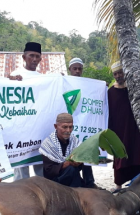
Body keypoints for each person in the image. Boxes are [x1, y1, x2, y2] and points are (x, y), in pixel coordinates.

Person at [107, 61, 140, 193]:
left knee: (137, 154)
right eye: (115, 73)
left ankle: (137, 183)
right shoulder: (110, 92)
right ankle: (118, 185)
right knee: (119, 156)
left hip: (135, 128)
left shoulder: (134, 89)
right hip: (119, 129)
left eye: (120, 72)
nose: (118, 75)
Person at [9, 42, 44, 181]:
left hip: (37, 128)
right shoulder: (15, 75)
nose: (34, 59)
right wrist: (9, 81)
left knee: (40, 165)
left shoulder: (43, 78)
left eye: (37, 56)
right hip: (20, 129)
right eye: (31, 56)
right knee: (21, 167)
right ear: (24, 57)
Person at [39, 113, 96, 187]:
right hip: (56, 180)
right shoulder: (48, 144)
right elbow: (49, 171)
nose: (68, 130)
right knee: (70, 169)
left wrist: (79, 161)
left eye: (70, 127)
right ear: (56, 126)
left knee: (85, 155)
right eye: (65, 127)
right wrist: (66, 164)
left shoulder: (74, 140)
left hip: (73, 174)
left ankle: (90, 185)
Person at [67, 58, 96, 185]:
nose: (77, 71)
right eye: (75, 68)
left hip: (83, 126)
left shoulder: (89, 85)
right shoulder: (64, 83)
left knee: (85, 151)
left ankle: (89, 182)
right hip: (68, 126)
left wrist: (102, 88)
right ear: (70, 70)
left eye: (80, 69)